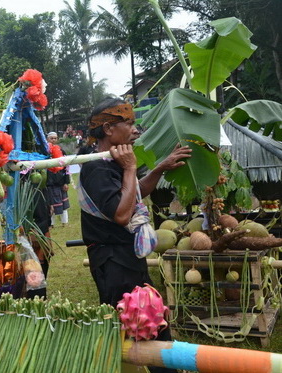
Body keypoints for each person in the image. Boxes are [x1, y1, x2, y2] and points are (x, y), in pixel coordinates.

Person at [79, 98, 191, 373]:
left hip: (127, 256)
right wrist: (130, 168)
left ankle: (162, 366)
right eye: (127, 123)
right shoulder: (96, 168)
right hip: (113, 260)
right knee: (133, 320)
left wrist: (160, 168)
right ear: (107, 128)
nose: (134, 129)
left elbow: (134, 193)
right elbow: (121, 213)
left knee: (149, 315)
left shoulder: (111, 163)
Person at [46, 131, 70, 228]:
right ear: (47, 139)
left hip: (60, 182)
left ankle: (65, 222)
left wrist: (66, 182)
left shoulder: (62, 151)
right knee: (51, 204)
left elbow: (66, 168)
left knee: (63, 204)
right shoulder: (44, 152)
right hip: (49, 183)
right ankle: (51, 224)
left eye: (55, 138)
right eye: (51, 138)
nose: (53, 140)